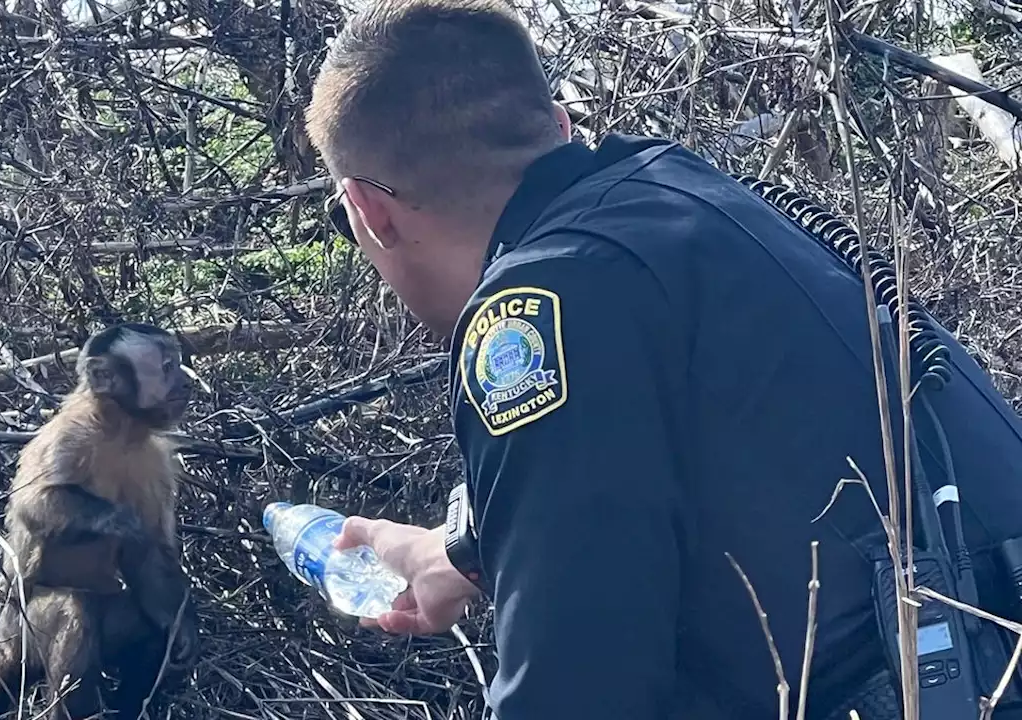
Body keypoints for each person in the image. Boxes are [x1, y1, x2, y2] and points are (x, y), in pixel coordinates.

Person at [302, 0, 1022, 717]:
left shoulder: (535, 307)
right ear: (558, 128)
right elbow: (721, 459)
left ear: (369, 210)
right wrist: (457, 552)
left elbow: (577, 694)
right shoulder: (684, 199)